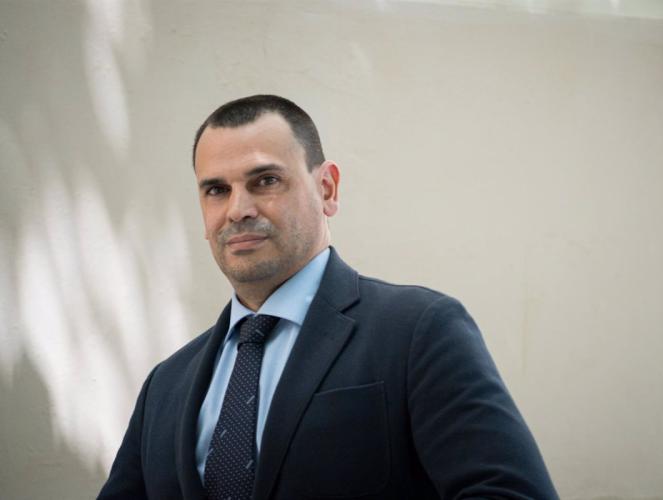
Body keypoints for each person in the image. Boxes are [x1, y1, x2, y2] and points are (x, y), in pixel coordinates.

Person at [98, 95, 559, 500]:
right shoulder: (165, 385)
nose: (238, 210)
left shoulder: (419, 331)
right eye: (217, 190)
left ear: (327, 189)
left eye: (265, 181)